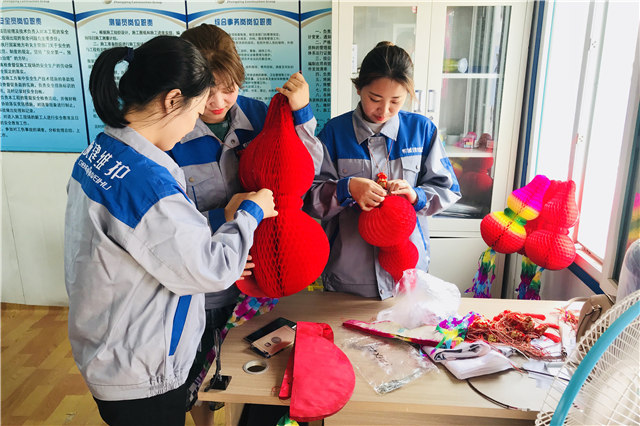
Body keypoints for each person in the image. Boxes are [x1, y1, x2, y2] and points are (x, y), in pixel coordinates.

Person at [64, 35, 277, 426]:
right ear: (172, 100)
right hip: (140, 366)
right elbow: (211, 268)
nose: (194, 123)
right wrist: (251, 211)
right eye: (195, 110)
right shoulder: (146, 182)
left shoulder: (103, 151)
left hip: (111, 346)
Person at [167, 24, 322, 425]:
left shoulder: (260, 115)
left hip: (264, 277)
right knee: (200, 374)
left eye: (230, 88)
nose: (218, 102)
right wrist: (222, 217)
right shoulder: (171, 133)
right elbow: (166, 223)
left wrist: (302, 114)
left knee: (259, 368)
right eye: (207, 92)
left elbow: (303, 174)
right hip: (208, 283)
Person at [304, 41, 461, 300]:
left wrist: (416, 195)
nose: (384, 110)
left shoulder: (422, 131)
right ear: (359, 88)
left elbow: (448, 189)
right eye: (374, 99)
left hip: (407, 274)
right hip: (349, 277)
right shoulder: (335, 133)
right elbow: (309, 197)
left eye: (396, 101)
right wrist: (347, 189)